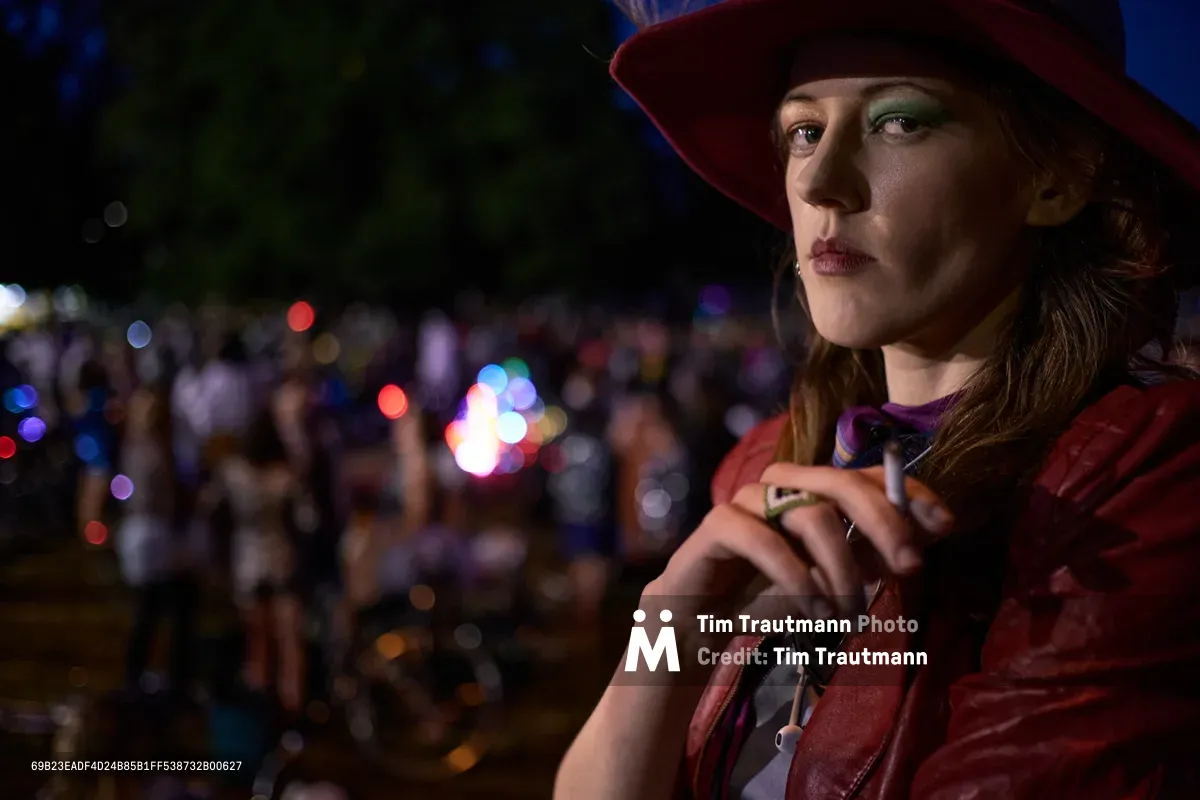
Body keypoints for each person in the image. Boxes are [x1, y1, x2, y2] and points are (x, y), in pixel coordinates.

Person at [556, 1, 1200, 798]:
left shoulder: (1147, 473)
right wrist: (670, 626)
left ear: (1058, 175)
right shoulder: (766, 462)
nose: (821, 181)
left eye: (899, 122)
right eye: (801, 131)